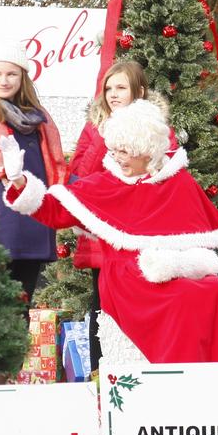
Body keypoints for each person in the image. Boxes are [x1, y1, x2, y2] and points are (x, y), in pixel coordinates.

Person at [0, 99, 218, 364]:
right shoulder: (104, 184)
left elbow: (198, 240)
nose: (116, 157)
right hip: (128, 278)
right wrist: (18, 180)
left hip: (176, 267)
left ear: (147, 151)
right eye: (114, 149)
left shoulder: (178, 182)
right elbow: (54, 210)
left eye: (125, 152)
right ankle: (176, 377)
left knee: (217, 291)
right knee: (182, 299)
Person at [67, 61, 174, 372]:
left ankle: (144, 368)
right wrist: (104, 134)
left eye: (121, 88)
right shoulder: (94, 127)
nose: (113, 95)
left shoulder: (155, 127)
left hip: (144, 231)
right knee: (103, 306)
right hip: (104, 231)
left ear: (138, 92)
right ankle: (103, 374)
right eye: (109, 88)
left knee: (143, 303)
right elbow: (79, 176)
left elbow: (164, 174)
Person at [0, 40, 66, 304]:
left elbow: (50, 165)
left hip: (34, 218)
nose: (3, 81)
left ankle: (19, 347)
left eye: (11, 74)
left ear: (23, 77)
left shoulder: (39, 117)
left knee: (22, 302)